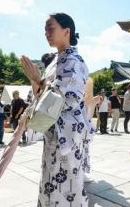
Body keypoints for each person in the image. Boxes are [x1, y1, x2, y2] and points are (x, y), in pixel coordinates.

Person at [21, 12, 94, 206]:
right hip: (53, 131)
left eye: (50, 28)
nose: (46, 32)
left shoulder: (74, 60)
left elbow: (65, 98)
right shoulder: (55, 61)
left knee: (66, 186)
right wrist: (35, 81)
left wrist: (38, 80)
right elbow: (40, 94)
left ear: (66, 31)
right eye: (45, 29)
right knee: (49, 182)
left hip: (67, 135)